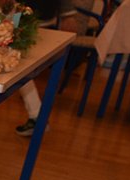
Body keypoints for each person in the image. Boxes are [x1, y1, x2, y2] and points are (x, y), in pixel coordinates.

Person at [15, 0, 89, 136]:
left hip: (32, 20)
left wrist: (68, 14)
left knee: (19, 66)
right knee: (18, 66)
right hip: (21, 17)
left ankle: (37, 116)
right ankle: (37, 116)